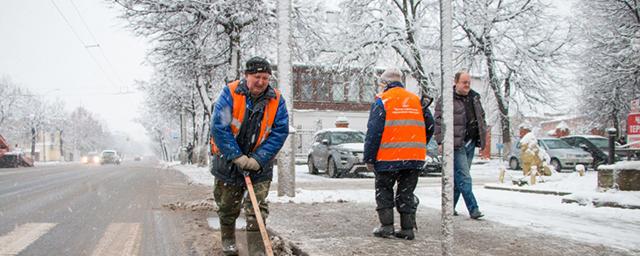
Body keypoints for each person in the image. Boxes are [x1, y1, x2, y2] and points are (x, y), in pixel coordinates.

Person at [209, 56, 289, 256]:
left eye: (265, 77)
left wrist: (258, 159)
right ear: (246, 76)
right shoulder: (230, 93)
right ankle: (228, 242)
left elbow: (279, 132)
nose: (261, 82)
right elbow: (220, 127)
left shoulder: (276, 100)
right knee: (227, 206)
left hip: (259, 166)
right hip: (228, 162)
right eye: (256, 76)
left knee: (257, 209)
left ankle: (256, 251)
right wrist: (237, 156)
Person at [364, 67, 434, 240]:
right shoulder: (416, 100)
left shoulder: (383, 100)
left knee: (384, 190)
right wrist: (418, 143)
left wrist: (369, 158)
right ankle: (407, 229)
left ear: (385, 83)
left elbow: (374, 132)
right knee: (406, 193)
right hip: (413, 157)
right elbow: (430, 125)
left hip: (388, 157)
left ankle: (386, 227)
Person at [434, 70, 487, 219]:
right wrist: (440, 141)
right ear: (456, 82)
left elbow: (481, 117)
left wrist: (481, 136)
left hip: (470, 143)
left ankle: (449, 207)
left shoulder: (474, 98)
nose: (467, 85)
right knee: (464, 176)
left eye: (469, 82)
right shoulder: (446, 99)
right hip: (456, 144)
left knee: (460, 177)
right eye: (464, 82)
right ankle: (473, 208)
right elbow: (438, 121)